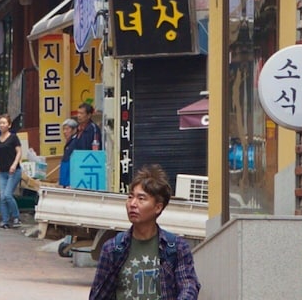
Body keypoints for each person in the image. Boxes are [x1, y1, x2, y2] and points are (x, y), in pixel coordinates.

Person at [89, 165, 199, 300]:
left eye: (141, 198)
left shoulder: (176, 248)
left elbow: (189, 286)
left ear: (158, 207)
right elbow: (98, 295)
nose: (133, 204)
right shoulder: (113, 249)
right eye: (130, 197)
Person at [60, 104, 105, 187]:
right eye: (78, 113)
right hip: (77, 166)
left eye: (81, 113)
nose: (79, 115)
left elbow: (96, 150)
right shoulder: (79, 129)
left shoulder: (93, 128)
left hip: (87, 167)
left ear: (89, 115)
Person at [0, 114, 24, 229]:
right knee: (2, 197)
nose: (2, 125)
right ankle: (4, 221)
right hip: (3, 173)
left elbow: (19, 152)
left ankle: (16, 217)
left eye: (4, 123)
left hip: (14, 172)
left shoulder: (13, 138)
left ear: (9, 125)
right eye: (0, 123)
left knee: (7, 195)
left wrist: (14, 165)